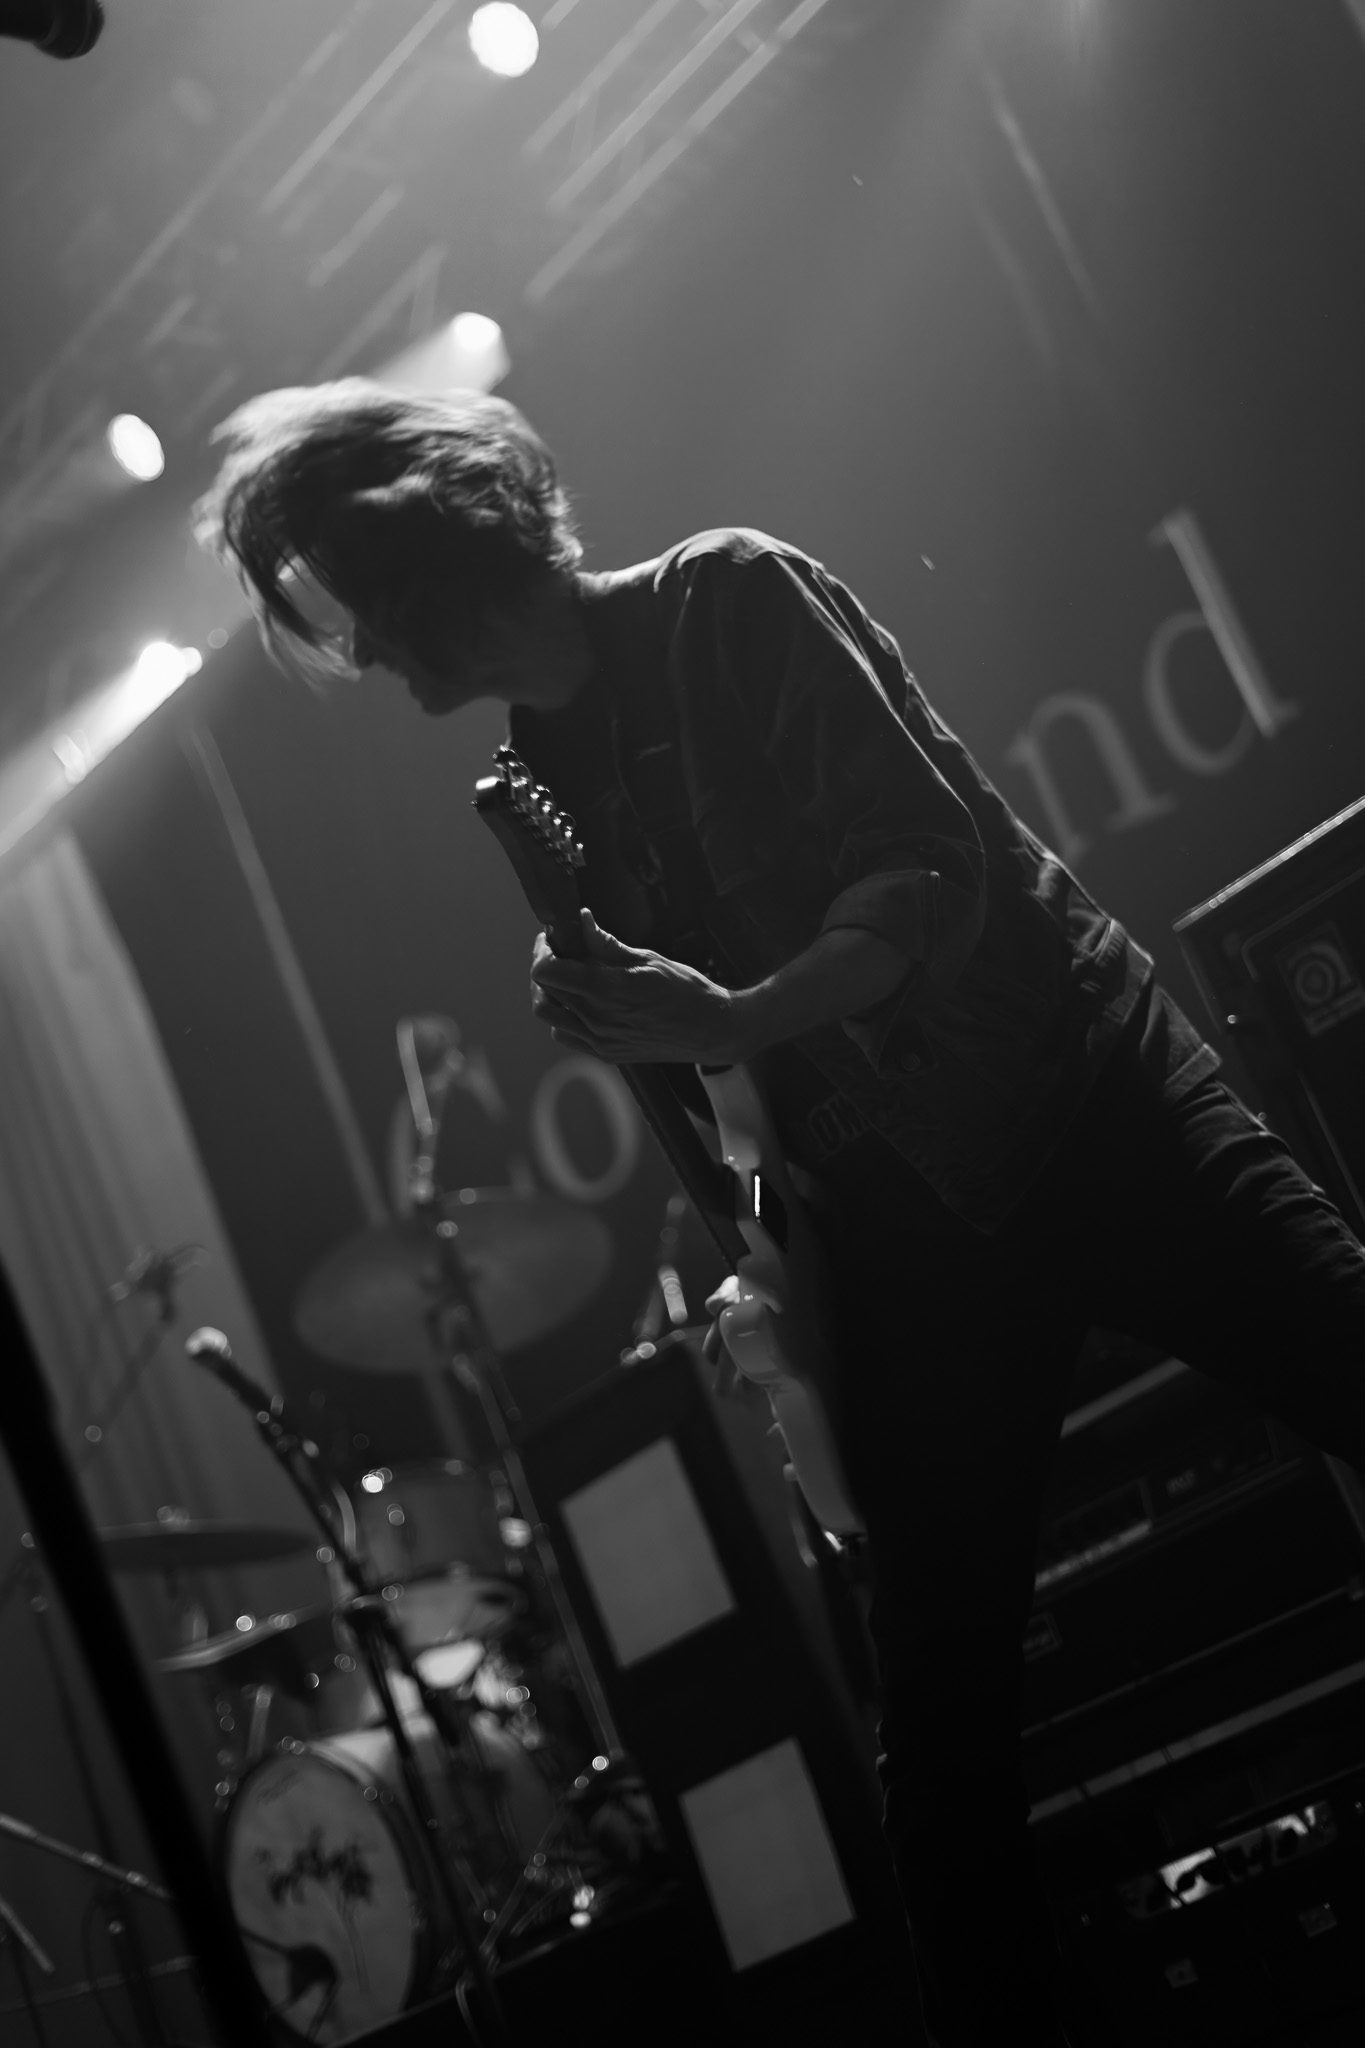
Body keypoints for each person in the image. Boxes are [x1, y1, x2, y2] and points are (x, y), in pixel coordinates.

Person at [195, 379, 1365, 2047]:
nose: (366, 659)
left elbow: (927, 870)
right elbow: (721, 1104)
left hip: (1085, 1098)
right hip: (910, 1240)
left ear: (429, 554)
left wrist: (731, 1013)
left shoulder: (729, 597)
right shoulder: (534, 790)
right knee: (938, 1763)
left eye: (358, 607)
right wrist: (765, 1269)